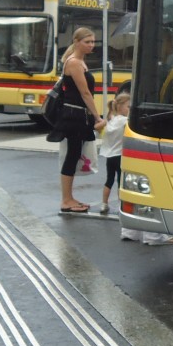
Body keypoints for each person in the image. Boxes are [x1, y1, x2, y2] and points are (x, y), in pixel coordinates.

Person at [53, 27, 107, 213]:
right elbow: (85, 93)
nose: (91, 45)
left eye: (93, 42)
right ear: (77, 42)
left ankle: (69, 198)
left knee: (74, 154)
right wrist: (97, 116)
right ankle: (66, 200)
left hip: (76, 114)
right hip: (73, 115)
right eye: (87, 42)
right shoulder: (75, 63)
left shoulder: (79, 62)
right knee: (72, 154)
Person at [99, 92, 130, 214]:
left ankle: (104, 204)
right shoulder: (125, 121)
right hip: (120, 155)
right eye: (128, 107)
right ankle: (120, 205)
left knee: (109, 180)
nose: (129, 109)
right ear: (120, 107)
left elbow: (98, 127)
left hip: (109, 156)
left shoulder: (110, 119)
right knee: (120, 182)